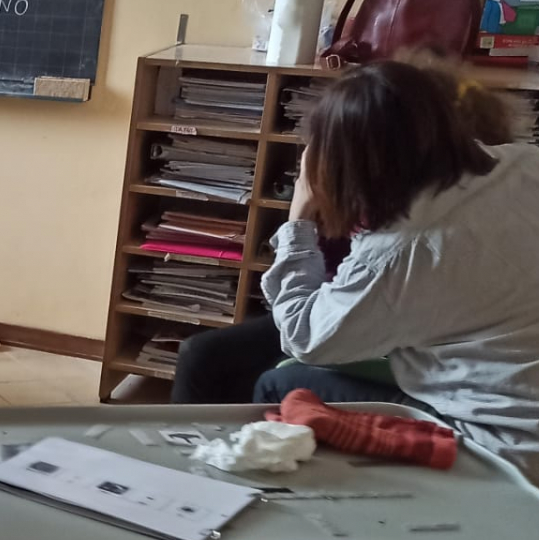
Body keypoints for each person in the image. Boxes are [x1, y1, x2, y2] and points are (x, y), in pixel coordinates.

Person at [255, 60, 539, 511]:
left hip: (523, 456)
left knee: (280, 383)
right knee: (217, 354)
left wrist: (299, 218)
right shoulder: (532, 166)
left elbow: (303, 338)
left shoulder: (405, 248)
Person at [170, 56, 516, 405]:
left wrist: (299, 216)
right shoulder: (404, 190)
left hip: (387, 334)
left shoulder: (413, 235)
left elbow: (312, 335)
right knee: (201, 354)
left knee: (277, 379)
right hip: (339, 305)